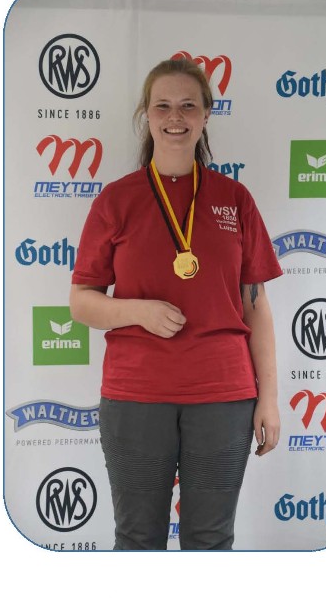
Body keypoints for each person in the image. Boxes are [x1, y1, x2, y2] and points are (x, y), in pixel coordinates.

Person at [69, 58, 282, 550]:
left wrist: (269, 399)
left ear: (206, 114)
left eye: (188, 105)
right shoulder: (116, 201)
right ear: (147, 114)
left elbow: (256, 307)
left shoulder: (235, 199)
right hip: (136, 395)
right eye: (162, 106)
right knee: (137, 539)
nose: (175, 117)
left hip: (224, 396)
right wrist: (137, 311)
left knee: (210, 539)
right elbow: (81, 302)